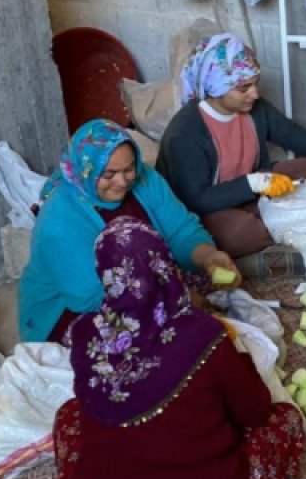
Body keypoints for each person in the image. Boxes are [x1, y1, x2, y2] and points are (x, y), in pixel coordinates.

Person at [53, 218, 306, 479]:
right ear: (163, 265)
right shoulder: (202, 334)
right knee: (284, 422)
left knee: (69, 415)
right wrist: (238, 359)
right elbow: (255, 412)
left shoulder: (84, 335)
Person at [156, 33, 306, 274]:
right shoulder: (186, 133)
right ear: (216, 87)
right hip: (210, 209)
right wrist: (255, 183)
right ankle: (273, 238)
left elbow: (293, 134)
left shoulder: (254, 110)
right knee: (238, 233)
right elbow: (195, 199)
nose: (255, 94)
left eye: (255, 83)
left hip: (253, 192)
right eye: (244, 88)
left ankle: (276, 224)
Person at [19, 120, 238, 344]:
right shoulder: (59, 222)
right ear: (86, 173)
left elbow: (180, 231)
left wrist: (208, 257)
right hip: (74, 307)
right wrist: (173, 296)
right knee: (136, 340)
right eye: (109, 174)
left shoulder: (146, 180)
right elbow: (89, 297)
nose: (122, 181)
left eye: (129, 169)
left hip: (146, 280)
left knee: (212, 275)